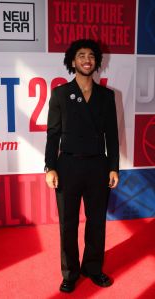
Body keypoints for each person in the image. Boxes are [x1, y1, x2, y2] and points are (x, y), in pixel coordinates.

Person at [44, 39, 119, 293]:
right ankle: (70, 272)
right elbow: (52, 135)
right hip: (67, 166)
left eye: (91, 56)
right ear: (72, 61)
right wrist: (50, 167)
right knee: (68, 223)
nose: (87, 60)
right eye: (81, 55)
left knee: (97, 222)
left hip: (98, 166)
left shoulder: (107, 96)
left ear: (96, 61)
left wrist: (113, 167)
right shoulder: (61, 94)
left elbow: (113, 135)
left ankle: (93, 268)